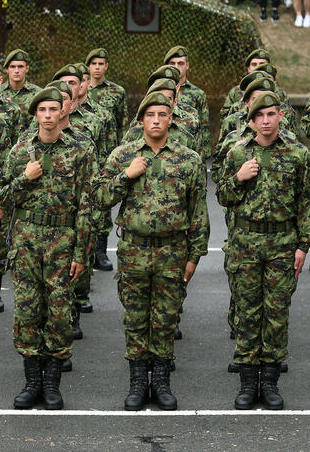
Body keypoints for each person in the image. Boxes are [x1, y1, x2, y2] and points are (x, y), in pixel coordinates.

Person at [93, 91, 209, 410]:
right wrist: (126, 175)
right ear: (141, 120)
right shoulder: (124, 154)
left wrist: (195, 256)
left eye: (162, 115)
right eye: (150, 115)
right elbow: (99, 196)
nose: (156, 120)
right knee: (135, 318)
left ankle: (160, 383)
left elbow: (198, 210)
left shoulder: (188, 159)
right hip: (134, 250)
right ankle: (136, 384)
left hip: (173, 251)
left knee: (166, 318)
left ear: (170, 118)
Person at [0, 86, 93, 410]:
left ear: (62, 112)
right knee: (26, 312)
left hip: (62, 242)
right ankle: (32, 382)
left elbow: (87, 205)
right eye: (43, 110)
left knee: (59, 314)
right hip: (26, 243)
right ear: (35, 114)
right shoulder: (20, 151)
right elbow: (2, 200)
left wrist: (82, 253)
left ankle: (52, 384)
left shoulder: (79, 152)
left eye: (54, 109)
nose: (49, 115)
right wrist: (25, 178)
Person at [216, 92, 310, 410]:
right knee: (247, 314)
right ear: (251, 119)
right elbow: (222, 196)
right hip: (245, 243)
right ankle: (247, 383)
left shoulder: (298, 154)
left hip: (283, 245)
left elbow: (306, 203)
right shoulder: (236, 152)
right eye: (260, 116)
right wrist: (239, 178)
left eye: (271, 114)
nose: (266, 120)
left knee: (276, 315)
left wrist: (303, 246)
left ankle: (269, 382)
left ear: (281, 116)